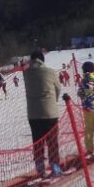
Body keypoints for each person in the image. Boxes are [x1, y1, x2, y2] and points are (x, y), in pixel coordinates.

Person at [23, 50, 62, 178]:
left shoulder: (26, 74)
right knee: (52, 142)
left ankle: (40, 169)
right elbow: (58, 88)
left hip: (33, 114)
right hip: (50, 113)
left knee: (38, 143)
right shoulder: (50, 72)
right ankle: (55, 167)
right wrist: (52, 100)